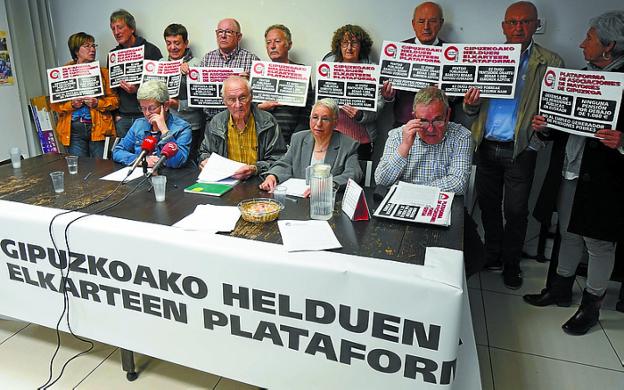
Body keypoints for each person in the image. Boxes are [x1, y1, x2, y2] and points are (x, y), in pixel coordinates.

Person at [523, 11, 624, 335]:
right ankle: (560, 288)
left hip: (606, 181)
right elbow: (563, 125)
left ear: (608, 46)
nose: (582, 44)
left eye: (590, 38)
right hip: (570, 171)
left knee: (598, 243)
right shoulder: (579, 76)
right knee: (568, 232)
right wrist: (545, 126)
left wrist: (623, 141)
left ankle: (592, 305)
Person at [462, 1, 564, 289]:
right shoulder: (487, 58)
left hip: (520, 149)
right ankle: (492, 254)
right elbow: (471, 111)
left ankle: (511, 263)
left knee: (517, 211)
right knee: (489, 207)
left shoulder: (551, 62)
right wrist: (470, 106)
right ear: (503, 26)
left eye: (525, 22)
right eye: (513, 22)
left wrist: (544, 128)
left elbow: (557, 110)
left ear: (536, 25)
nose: (519, 27)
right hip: (486, 145)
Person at [375, 86, 472, 194]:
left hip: (439, 204)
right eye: (423, 121)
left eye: (437, 120)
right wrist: (404, 147)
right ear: (414, 117)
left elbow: (458, 183)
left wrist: (412, 191)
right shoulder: (397, 135)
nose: (430, 129)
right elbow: (381, 181)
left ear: (448, 114)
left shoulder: (461, 136)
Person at [259, 98, 363, 196]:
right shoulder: (298, 138)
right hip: (299, 200)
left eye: (325, 119)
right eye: (315, 117)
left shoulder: (348, 144)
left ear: (335, 123)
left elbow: (353, 174)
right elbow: (285, 163)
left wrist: (326, 185)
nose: (318, 124)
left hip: (326, 202)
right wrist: (273, 176)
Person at [197, 76, 285, 180]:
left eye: (242, 98)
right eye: (231, 99)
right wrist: (205, 161)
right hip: (226, 181)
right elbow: (204, 152)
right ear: (224, 101)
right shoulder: (216, 122)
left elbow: (280, 158)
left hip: (259, 180)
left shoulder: (268, 121)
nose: (238, 105)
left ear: (251, 97)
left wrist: (255, 169)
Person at [323, 24, 388, 161]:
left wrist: (361, 115)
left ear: (361, 46)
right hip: (332, 136)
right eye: (345, 43)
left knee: (360, 178)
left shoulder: (372, 70)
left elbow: (379, 105)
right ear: (339, 46)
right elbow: (318, 102)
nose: (349, 47)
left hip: (362, 138)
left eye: (354, 43)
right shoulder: (328, 70)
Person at [51, 32, 118, 158]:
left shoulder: (103, 73)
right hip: (73, 130)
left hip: (98, 128)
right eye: (87, 46)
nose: (92, 49)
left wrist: (97, 103)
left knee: (101, 169)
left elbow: (115, 101)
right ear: (76, 51)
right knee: (80, 169)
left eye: (93, 46)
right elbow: (55, 106)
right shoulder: (62, 73)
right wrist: (72, 104)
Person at [384, 2, 447, 127]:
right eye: (421, 21)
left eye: (432, 21)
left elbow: (459, 99)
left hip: (439, 128)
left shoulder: (453, 54)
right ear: (413, 24)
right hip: (404, 124)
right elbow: (386, 96)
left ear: (441, 23)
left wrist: (447, 93)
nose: (426, 27)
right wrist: (388, 96)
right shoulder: (396, 51)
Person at [113, 80, 191, 168]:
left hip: (168, 177)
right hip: (142, 175)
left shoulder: (182, 128)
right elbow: (118, 151)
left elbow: (176, 163)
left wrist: (165, 131)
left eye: (152, 108)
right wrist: (141, 160)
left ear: (166, 106)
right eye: (143, 108)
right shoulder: (139, 124)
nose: (147, 113)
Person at [109, 9, 163, 139]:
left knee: (149, 155)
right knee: (123, 154)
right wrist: (115, 114)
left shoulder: (151, 50)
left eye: (120, 27)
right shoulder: (113, 55)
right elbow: (111, 89)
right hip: (123, 117)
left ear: (132, 28)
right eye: (113, 29)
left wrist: (137, 90)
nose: (116, 32)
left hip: (146, 116)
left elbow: (161, 85)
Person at [258, 24, 313, 145]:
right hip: (262, 138)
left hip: (293, 140)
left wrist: (297, 139)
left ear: (289, 44)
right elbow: (250, 109)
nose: (272, 46)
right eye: (268, 42)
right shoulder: (259, 73)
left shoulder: (301, 72)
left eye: (277, 41)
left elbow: (307, 111)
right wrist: (261, 107)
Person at [199, 18, 260, 124]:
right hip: (211, 121)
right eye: (220, 32)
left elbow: (259, 95)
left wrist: (249, 83)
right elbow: (197, 90)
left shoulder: (252, 60)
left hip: (242, 121)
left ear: (239, 37)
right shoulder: (207, 59)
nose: (223, 35)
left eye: (228, 32)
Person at [163, 23, 204, 163]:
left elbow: (202, 100)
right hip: (167, 124)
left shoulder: (196, 64)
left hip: (191, 124)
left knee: (188, 163)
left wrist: (178, 104)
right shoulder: (160, 63)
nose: (172, 47)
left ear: (186, 43)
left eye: (177, 43)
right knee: (168, 161)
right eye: (168, 43)